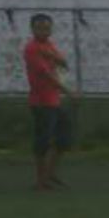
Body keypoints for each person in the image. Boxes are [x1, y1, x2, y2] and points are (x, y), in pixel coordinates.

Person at [23, 13, 74, 191]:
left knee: (63, 139)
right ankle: (40, 181)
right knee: (42, 142)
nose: (44, 31)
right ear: (32, 29)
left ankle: (50, 174)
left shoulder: (48, 45)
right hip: (40, 103)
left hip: (54, 101)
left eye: (47, 28)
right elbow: (47, 75)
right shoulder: (31, 48)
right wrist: (68, 92)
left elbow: (63, 63)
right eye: (39, 28)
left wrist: (52, 56)